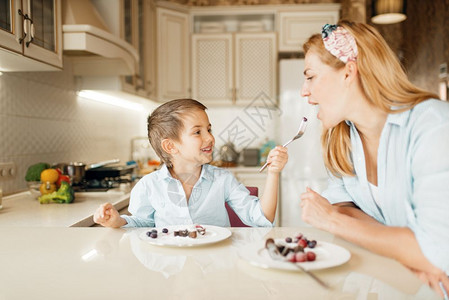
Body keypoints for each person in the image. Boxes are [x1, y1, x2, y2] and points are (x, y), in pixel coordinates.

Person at [298, 21, 449, 297]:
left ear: (348, 73)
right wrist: (408, 251)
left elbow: (437, 254)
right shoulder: (342, 139)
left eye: (310, 76)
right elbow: (342, 205)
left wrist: (331, 220)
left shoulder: (433, 126)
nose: (304, 91)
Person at [94, 98, 287, 228]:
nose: (210, 138)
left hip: (217, 269)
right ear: (170, 146)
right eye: (198, 132)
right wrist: (117, 221)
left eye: (209, 130)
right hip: (171, 271)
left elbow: (262, 219)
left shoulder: (223, 180)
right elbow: (140, 224)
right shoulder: (148, 186)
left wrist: (273, 173)